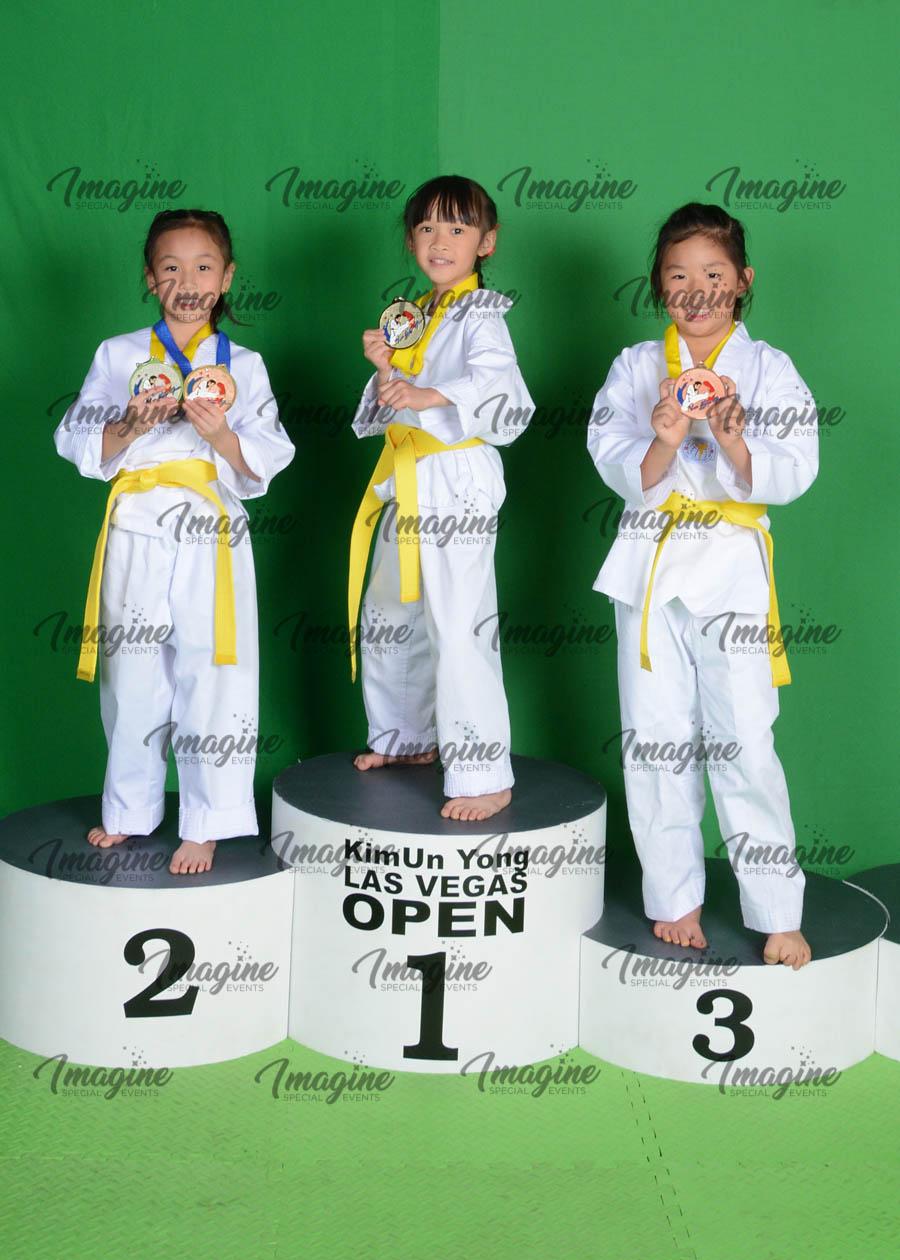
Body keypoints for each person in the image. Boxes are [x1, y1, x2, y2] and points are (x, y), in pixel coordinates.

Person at [588, 203, 817, 968]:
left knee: (745, 740)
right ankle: (673, 897)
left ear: (742, 281)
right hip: (650, 564)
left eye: (713, 274)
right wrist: (661, 441)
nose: (696, 290)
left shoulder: (770, 368)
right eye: (678, 275)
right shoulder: (635, 366)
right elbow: (613, 458)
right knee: (655, 739)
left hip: (731, 573)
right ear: (660, 285)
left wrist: (733, 442)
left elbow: (797, 468)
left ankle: (777, 908)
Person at [55, 209, 294, 874]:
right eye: (171, 268)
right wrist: (128, 426)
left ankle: (208, 820)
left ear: (227, 277)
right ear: (149, 278)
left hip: (209, 528)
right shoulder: (118, 354)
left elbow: (267, 457)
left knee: (213, 671)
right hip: (135, 524)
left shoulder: (244, 364)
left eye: (203, 267)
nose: (187, 282)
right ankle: (129, 808)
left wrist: (220, 435)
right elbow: (75, 437)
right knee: (131, 676)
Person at [349, 175, 533, 821]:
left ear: (487, 242)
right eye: (426, 228)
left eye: (457, 228)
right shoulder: (416, 314)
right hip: (408, 475)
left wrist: (429, 394)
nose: (439, 240)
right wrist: (386, 368)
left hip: (455, 477)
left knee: (458, 622)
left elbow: (502, 390)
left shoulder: (482, 312)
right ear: (410, 240)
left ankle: (484, 774)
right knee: (391, 610)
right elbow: (389, 407)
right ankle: (406, 737)